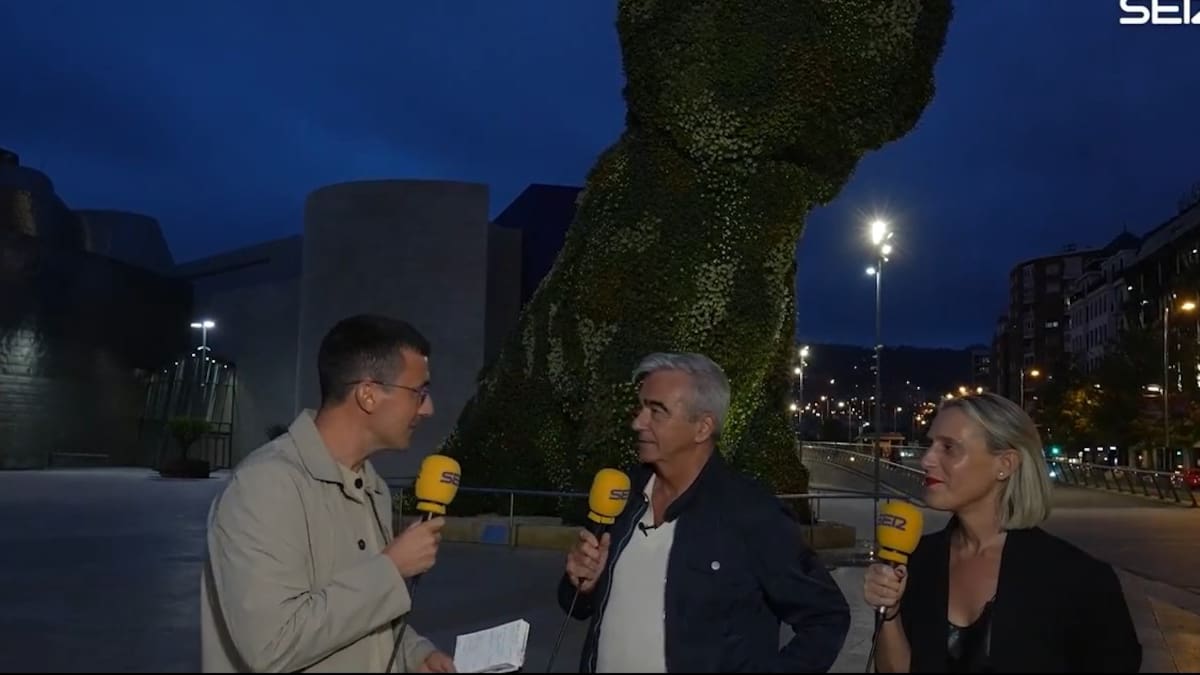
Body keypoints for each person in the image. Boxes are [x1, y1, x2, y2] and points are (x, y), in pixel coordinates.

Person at [558, 352, 851, 672]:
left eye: (657, 411)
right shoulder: (620, 495)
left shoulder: (752, 513)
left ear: (702, 427)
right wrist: (581, 585)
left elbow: (827, 618)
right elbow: (576, 603)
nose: (637, 422)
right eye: (641, 407)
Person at [200, 314, 456, 673]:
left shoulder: (373, 487)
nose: (428, 409)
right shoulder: (265, 487)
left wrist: (415, 654)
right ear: (368, 394)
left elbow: (356, 611)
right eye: (419, 393)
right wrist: (392, 568)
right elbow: (272, 645)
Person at [862, 392, 1142, 672]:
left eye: (948, 447)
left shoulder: (1080, 578)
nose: (926, 460)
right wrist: (891, 612)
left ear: (1005, 464)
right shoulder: (917, 560)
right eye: (930, 444)